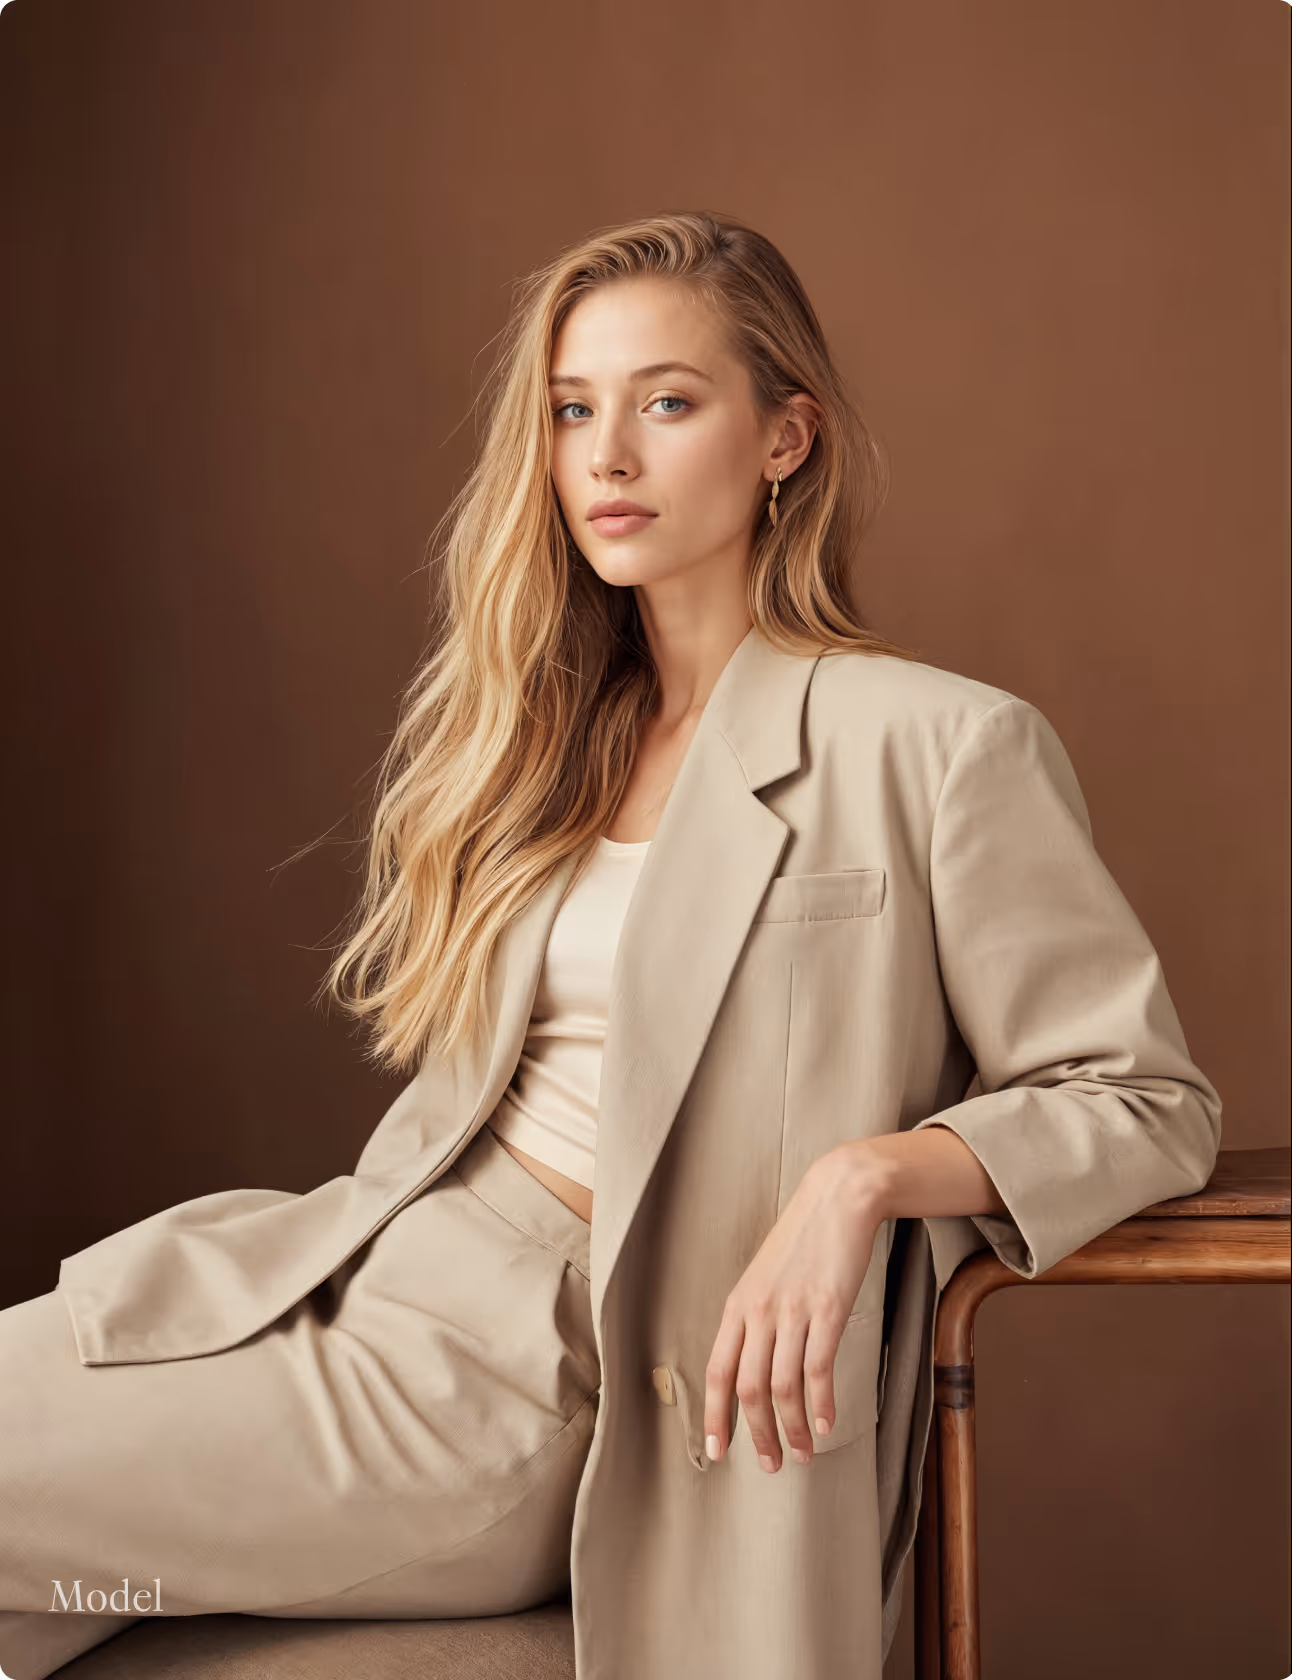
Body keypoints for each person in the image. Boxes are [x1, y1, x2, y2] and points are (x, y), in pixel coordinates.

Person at [0, 210, 1221, 1680]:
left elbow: (1144, 1101)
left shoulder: (938, 743)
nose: (608, 457)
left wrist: (863, 1176)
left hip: (542, 1375)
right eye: (575, 410)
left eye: (668, 402)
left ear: (787, 438)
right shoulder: (549, 730)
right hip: (363, 1271)